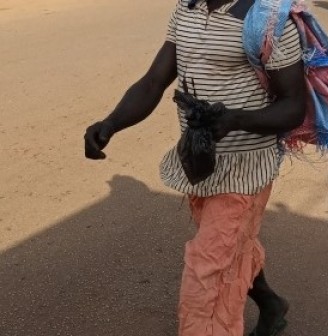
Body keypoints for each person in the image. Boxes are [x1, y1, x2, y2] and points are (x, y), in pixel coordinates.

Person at [84, 0, 306, 335]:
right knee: (232, 245)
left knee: (207, 269)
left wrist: (236, 120)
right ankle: (272, 305)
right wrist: (111, 123)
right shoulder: (187, 9)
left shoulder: (269, 21)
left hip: (245, 171)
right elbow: (153, 82)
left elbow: (294, 107)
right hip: (200, 163)